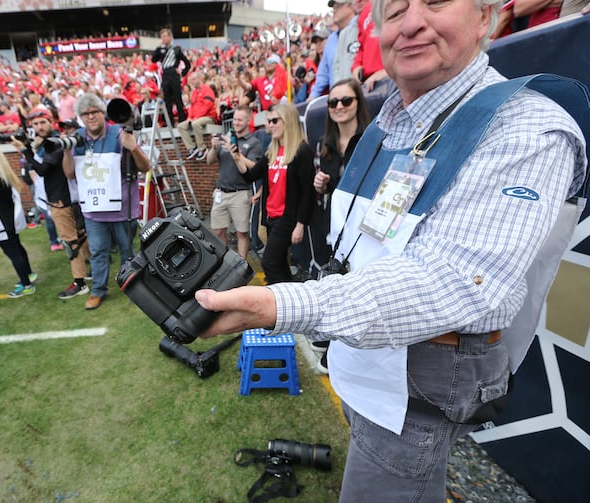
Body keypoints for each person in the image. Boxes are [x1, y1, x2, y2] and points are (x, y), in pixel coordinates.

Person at [193, 0, 587, 500]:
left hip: (414, 388)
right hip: (367, 367)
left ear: (486, 16)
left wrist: (281, 305)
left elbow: (455, 280)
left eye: (437, 2)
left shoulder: (526, 126)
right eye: (396, 10)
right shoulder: (386, 128)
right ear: (377, 32)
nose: (413, 22)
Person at [63, 93, 150, 310]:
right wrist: (66, 152)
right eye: (86, 113)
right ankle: (98, 290)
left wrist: (133, 147)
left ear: (103, 114)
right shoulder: (78, 137)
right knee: (98, 251)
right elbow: (70, 174)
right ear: (81, 117)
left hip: (122, 209)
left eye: (95, 112)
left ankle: (131, 287)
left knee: (127, 251)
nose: (91, 116)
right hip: (93, 210)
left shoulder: (119, 134)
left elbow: (145, 167)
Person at [310, 78, 371, 372]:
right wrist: (320, 184)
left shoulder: (373, 138)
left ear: (358, 103)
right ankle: (333, 341)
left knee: (354, 290)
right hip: (335, 228)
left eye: (346, 100)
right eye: (333, 102)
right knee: (334, 286)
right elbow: (328, 190)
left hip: (364, 230)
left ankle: (339, 350)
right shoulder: (327, 145)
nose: (339, 107)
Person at [13, 107, 92, 300]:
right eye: (36, 124)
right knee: (80, 238)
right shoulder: (49, 143)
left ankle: (79, 282)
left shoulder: (56, 143)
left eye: (43, 122)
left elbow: (42, 170)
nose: (39, 127)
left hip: (62, 200)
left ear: (51, 122)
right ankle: (94, 268)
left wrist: (25, 151)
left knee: (71, 242)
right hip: (67, 197)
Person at [231, 104, 316, 284]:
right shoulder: (272, 151)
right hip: (271, 216)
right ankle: (290, 300)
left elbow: (307, 192)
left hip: (287, 218)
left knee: (269, 263)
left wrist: (300, 224)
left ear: (288, 121)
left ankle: (277, 300)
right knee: (278, 263)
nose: (269, 125)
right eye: (268, 121)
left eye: (274, 120)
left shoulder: (302, 151)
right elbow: (251, 176)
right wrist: (238, 158)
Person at [206, 105, 263, 260]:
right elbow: (209, 161)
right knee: (218, 231)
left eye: (240, 119)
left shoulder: (254, 143)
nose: (236, 122)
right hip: (221, 192)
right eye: (235, 119)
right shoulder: (225, 138)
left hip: (240, 193)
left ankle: (241, 265)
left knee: (241, 233)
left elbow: (255, 167)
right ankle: (225, 263)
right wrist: (212, 147)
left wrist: (236, 152)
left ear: (248, 120)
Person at [0, 143, 36, 298]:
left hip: (1, 222)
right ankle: (28, 275)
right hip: (8, 220)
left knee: (13, 252)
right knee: (17, 248)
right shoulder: (0, 173)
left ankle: (26, 285)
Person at [308, 0, 358, 101]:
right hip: (337, 99)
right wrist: (312, 97)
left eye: (338, 6)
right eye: (333, 8)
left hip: (359, 94)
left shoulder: (361, 28)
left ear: (351, 7)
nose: (334, 11)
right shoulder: (331, 40)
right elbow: (323, 73)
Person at [151, 28, 191, 124]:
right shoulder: (161, 50)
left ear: (170, 37)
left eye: (165, 36)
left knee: (178, 99)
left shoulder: (176, 49)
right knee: (167, 101)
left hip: (174, 75)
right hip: (165, 76)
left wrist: (182, 72)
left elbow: (187, 63)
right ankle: (170, 122)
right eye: (162, 37)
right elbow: (153, 59)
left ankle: (182, 121)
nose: (163, 38)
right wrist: (158, 48)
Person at [178, 72, 217, 161]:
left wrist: (196, 117)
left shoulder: (207, 90)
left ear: (199, 79)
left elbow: (207, 106)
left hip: (209, 117)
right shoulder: (194, 93)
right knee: (181, 126)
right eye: (191, 79)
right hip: (197, 118)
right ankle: (192, 148)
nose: (191, 81)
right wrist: (189, 118)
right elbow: (191, 107)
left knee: (195, 124)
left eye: (193, 79)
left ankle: (202, 148)